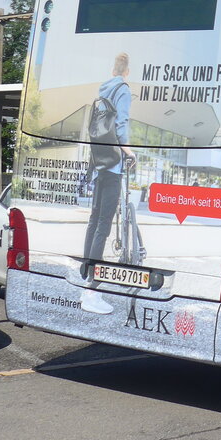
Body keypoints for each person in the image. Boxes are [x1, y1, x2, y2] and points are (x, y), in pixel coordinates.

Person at [82, 53, 135, 288]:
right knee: (105, 221)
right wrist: (128, 151)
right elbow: (121, 124)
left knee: (94, 219)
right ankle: (95, 273)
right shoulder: (123, 89)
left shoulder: (103, 91)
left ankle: (86, 267)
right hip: (113, 165)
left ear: (112, 70)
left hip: (98, 163)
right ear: (126, 71)